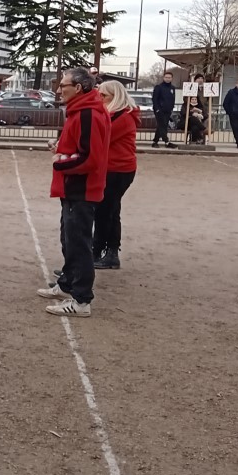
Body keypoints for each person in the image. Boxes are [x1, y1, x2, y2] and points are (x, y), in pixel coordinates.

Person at [36, 68, 109, 318]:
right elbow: (80, 147)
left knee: (79, 243)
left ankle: (81, 299)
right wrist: (61, 148)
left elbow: (90, 157)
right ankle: (67, 284)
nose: (58, 90)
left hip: (81, 188)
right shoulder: (79, 111)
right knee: (69, 239)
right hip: (73, 187)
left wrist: (61, 162)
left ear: (78, 88)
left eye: (63, 85)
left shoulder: (88, 113)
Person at [92, 81, 139, 270]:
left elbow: (102, 137)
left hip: (119, 169)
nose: (99, 98)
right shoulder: (113, 114)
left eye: (103, 96)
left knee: (106, 211)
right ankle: (104, 251)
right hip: (112, 168)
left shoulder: (123, 117)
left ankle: (105, 251)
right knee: (109, 209)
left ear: (115, 96)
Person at [151, 71, 178, 148]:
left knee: (162, 126)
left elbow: (173, 99)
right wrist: (157, 109)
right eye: (166, 77)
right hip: (159, 110)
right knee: (162, 125)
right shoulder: (159, 87)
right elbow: (154, 99)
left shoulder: (172, 88)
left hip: (168, 110)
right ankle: (167, 142)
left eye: (169, 77)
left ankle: (155, 141)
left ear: (172, 78)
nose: (167, 79)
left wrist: (171, 108)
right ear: (163, 78)